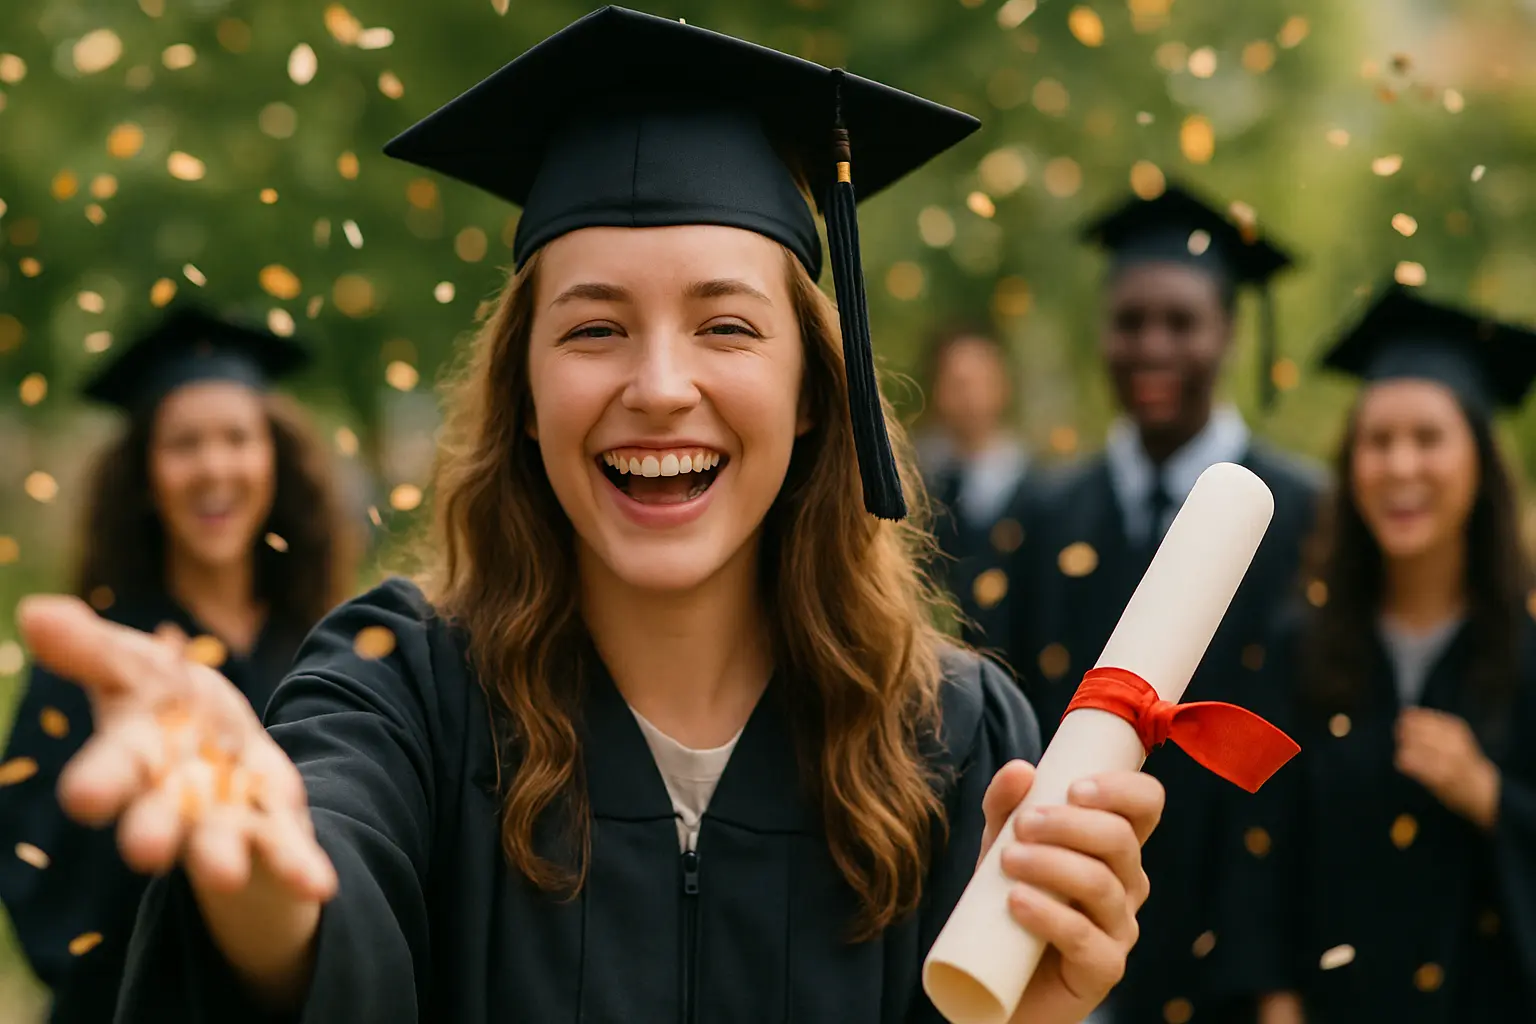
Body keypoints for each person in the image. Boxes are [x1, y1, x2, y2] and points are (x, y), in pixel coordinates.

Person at [14, 10, 1173, 1024]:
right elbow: (324, 879)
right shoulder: (398, 687)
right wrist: (264, 887)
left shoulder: (957, 742)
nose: (660, 384)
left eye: (726, 326)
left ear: (816, 391)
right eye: (593, 327)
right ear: (521, 392)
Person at [1003, 184, 1323, 1024]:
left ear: (1228, 331)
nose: (1151, 346)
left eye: (1180, 323)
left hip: (1246, 958)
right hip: (1061, 945)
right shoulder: (1040, 519)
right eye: (1129, 320)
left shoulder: (1308, 519)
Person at [0, 305, 356, 1023]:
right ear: (146, 475)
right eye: (183, 444)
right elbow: (41, 885)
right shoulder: (99, 661)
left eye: (236, 438)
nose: (214, 468)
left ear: (274, 460)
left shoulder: (332, 646)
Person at [1215, 282, 1536, 1024]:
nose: (1399, 466)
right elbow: (1262, 848)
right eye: (1377, 440)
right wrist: (1275, 1003)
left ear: (1480, 461)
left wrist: (1489, 796)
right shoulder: (1307, 643)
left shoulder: (1526, 647)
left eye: (1428, 438)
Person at [918, 323, 1033, 652]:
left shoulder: (1034, 493)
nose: (969, 397)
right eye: (956, 384)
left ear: (1002, 386)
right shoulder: (923, 489)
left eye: (979, 382)